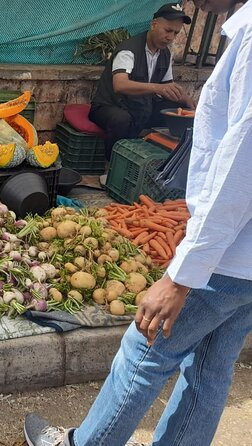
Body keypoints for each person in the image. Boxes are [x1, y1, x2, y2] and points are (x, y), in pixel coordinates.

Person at [24, 0, 251, 443]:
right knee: (210, 364)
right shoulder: (134, 50)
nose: (179, 22)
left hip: (227, 256)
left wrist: (181, 276)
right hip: (243, 260)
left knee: (144, 351)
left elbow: (240, 168)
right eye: (169, 26)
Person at [89, 3, 197, 184]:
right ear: (154, 24)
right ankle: (111, 169)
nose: (170, 37)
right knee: (121, 119)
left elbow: (167, 85)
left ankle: (162, 164)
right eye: (168, 30)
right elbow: (120, 85)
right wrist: (156, 88)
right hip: (109, 106)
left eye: (176, 33)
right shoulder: (128, 50)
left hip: (140, 106)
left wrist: (188, 102)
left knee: (175, 111)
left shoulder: (165, 54)